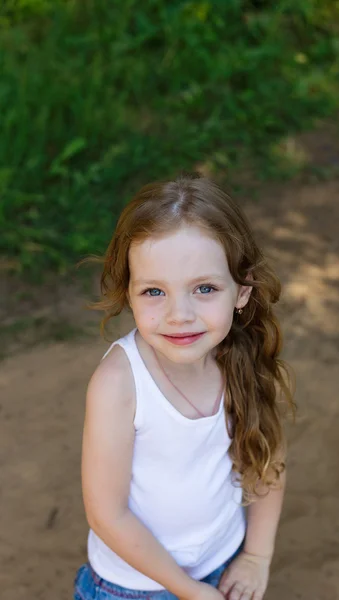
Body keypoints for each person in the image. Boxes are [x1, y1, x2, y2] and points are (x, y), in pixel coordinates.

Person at [74, 173, 294, 600]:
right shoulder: (119, 384)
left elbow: (269, 459)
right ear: (129, 293)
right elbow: (108, 515)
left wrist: (256, 556)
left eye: (205, 288)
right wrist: (188, 590)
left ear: (242, 292)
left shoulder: (239, 358)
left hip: (223, 562)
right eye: (155, 291)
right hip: (136, 587)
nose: (180, 315)